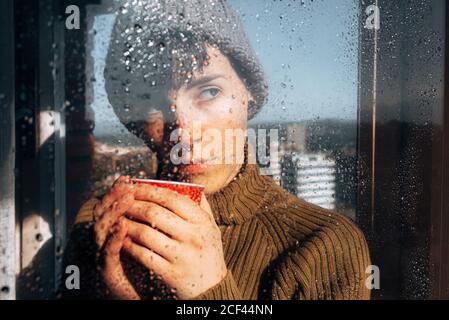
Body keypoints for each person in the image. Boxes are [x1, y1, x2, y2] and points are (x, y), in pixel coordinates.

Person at [62, 0, 371, 300]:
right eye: (152, 104)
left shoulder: (323, 247)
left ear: (247, 91)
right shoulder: (98, 223)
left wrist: (208, 291)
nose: (184, 132)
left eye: (209, 92)